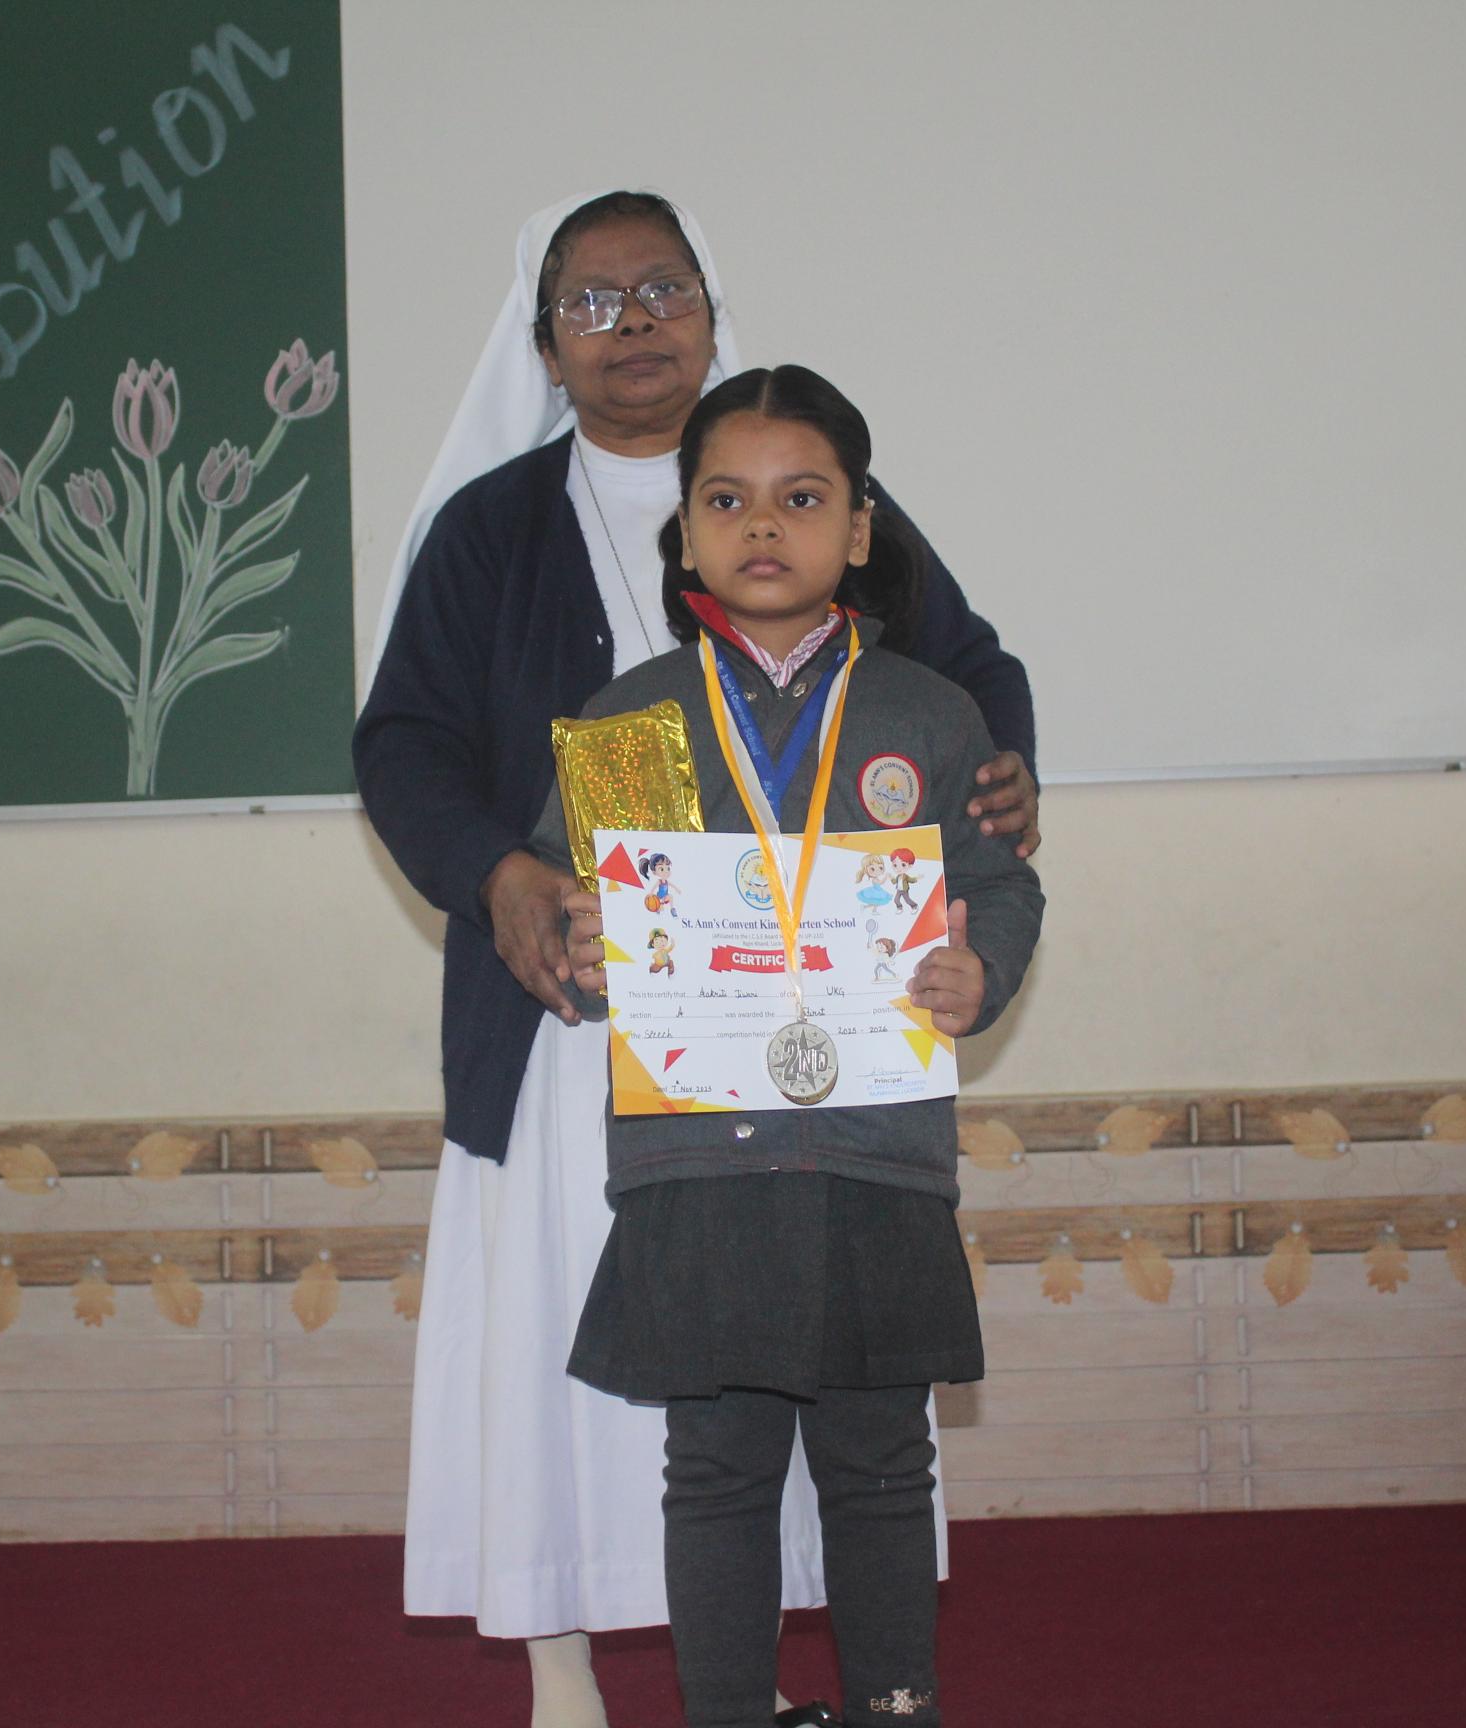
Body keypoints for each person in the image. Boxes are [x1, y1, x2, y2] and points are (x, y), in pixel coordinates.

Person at [354, 191, 1038, 1728]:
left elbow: (969, 680)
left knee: (847, 1422)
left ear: (713, 312)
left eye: (663, 288)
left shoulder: (815, 484)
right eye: (592, 302)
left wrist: (1004, 790)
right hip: (595, 1047)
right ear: (543, 345)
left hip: (842, 1100)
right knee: (659, 1408)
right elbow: (401, 746)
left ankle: (831, 1683)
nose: (634, 322)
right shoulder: (491, 530)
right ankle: (571, 1674)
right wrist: (509, 878)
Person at [536, 364, 1044, 1728]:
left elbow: (1000, 887)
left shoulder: (929, 715)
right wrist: (581, 946)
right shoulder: (629, 724)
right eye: (727, 500)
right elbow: (573, 917)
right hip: (698, 1161)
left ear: (860, 529)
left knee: (880, 1466)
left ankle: (894, 1708)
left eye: (803, 499)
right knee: (715, 1469)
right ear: (687, 530)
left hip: (875, 1151)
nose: (764, 526)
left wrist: (979, 968)